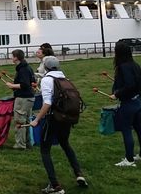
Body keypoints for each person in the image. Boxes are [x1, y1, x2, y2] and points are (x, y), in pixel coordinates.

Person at [30, 56, 88, 193]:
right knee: (65, 144)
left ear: (46, 67)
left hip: (53, 119)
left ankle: (55, 186)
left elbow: (48, 103)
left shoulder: (47, 80)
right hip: (67, 118)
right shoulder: (65, 79)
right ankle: (79, 174)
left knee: (45, 150)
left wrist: (36, 119)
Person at [109, 41, 141, 166]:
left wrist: (117, 94)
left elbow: (130, 84)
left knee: (126, 129)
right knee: (138, 127)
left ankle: (129, 160)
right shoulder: (134, 64)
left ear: (118, 53)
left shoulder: (123, 66)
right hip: (138, 101)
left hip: (129, 103)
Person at [5, 49, 35, 149]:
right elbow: (32, 82)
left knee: (19, 121)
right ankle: (27, 143)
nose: (11, 57)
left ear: (16, 57)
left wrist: (11, 85)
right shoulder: (26, 67)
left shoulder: (23, 69)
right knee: (26, 121)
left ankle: (20, 145)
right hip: (29, 98)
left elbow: (25, 84)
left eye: (12, 56)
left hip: (23, 98)